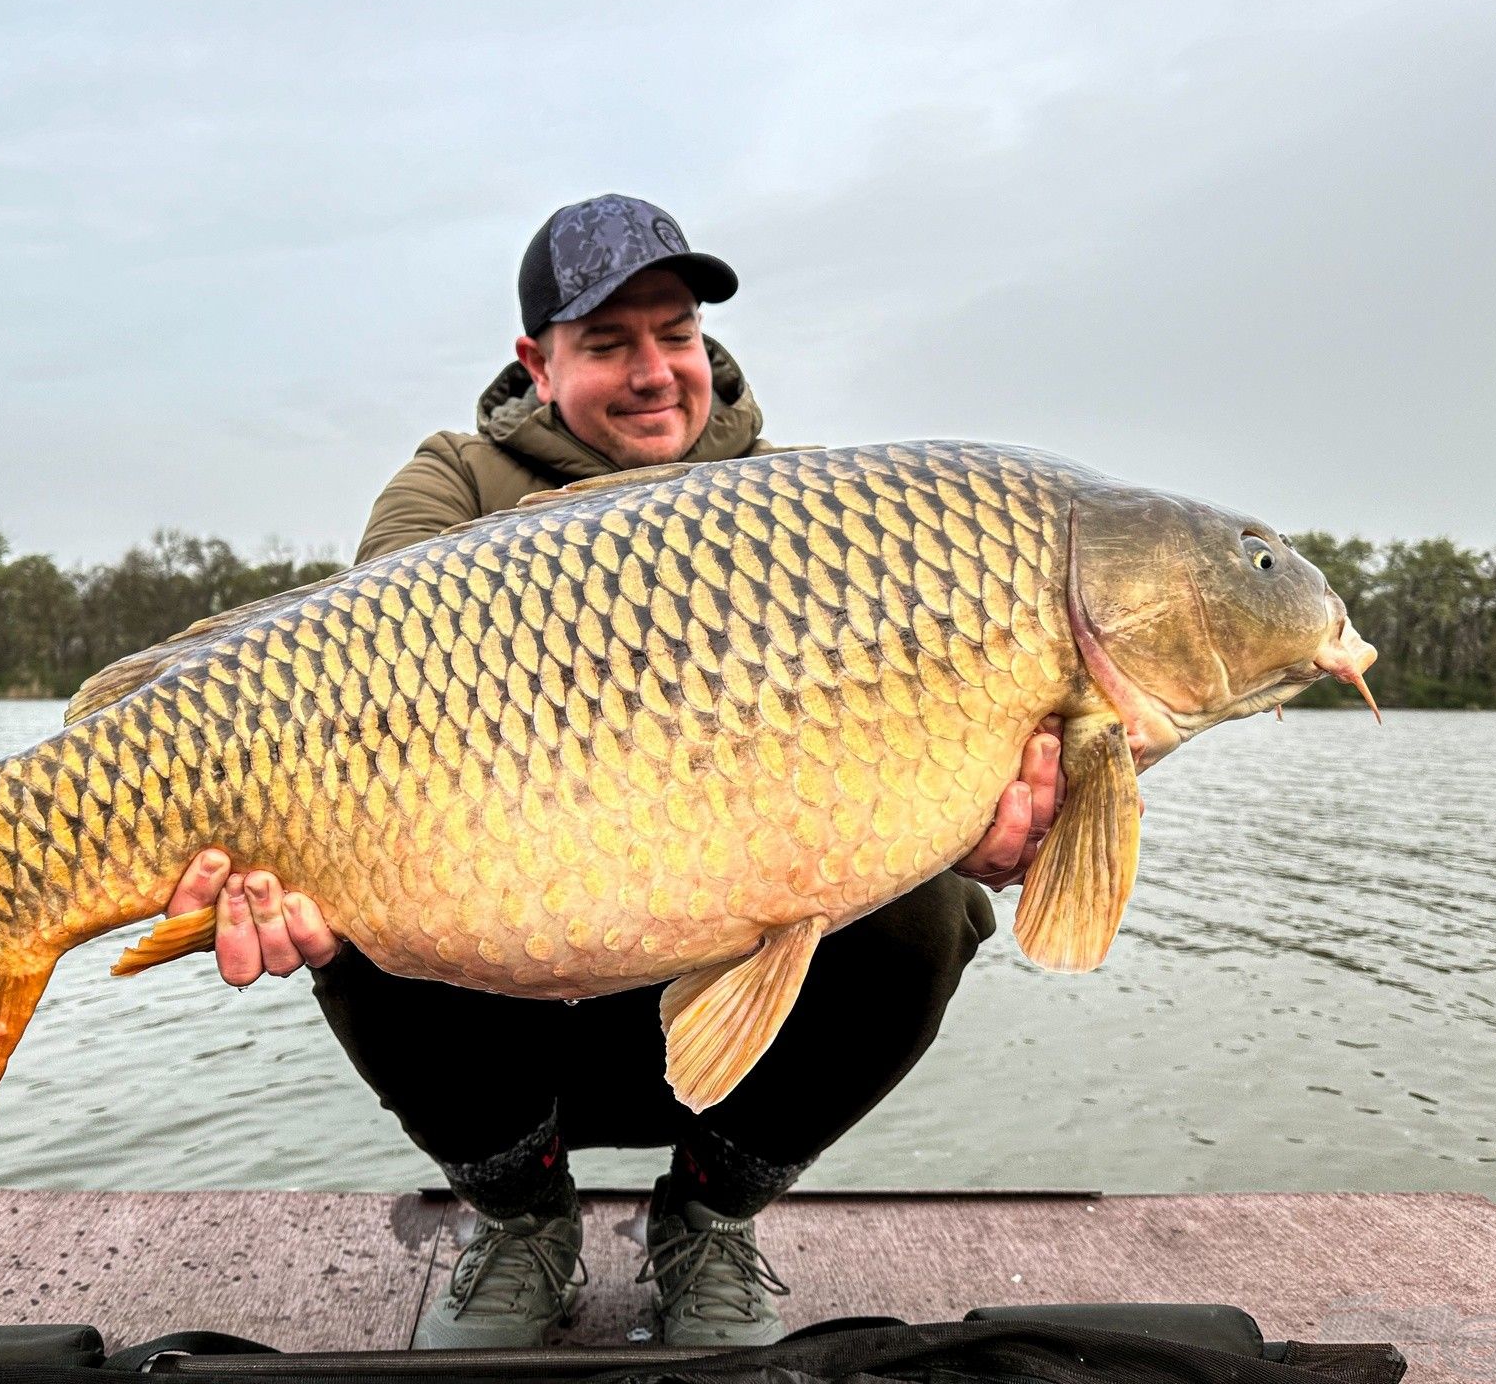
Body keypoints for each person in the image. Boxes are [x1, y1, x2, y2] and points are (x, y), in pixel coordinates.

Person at [161, 195, 1066, 1348]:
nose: (653, 373)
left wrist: (963, 825)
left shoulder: (807, 512)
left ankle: (710, 1215)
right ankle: (522, 1218)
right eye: (607, 343)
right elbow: (363, 714)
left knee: (930, 912)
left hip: (725, 996)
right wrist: (278, 866)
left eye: (675, 333)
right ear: (537, 362)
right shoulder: (450, 488)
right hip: (502, 990)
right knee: (356, 890)